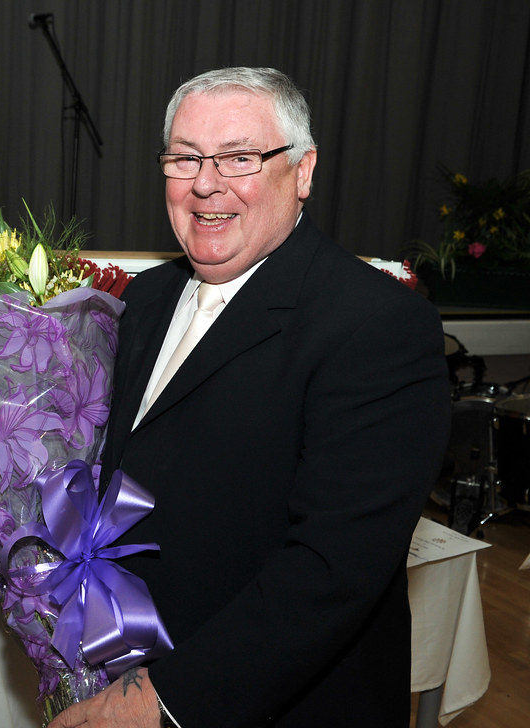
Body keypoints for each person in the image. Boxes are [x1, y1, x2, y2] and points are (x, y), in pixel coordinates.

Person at [49, 67, 450, 727]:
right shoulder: (144, 301)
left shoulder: (375, 323)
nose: (206, 183)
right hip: (123, 661)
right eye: (184, 158)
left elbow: (334, 567)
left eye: (239, 157)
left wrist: (164, 699)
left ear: (303, 171)